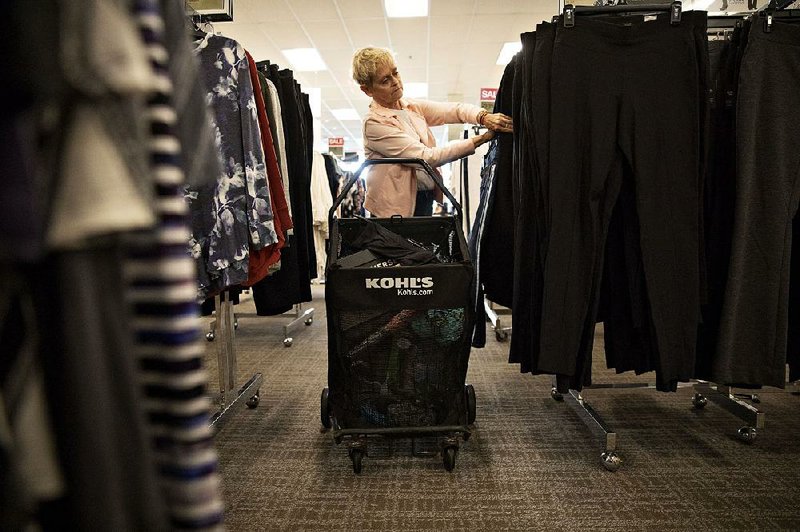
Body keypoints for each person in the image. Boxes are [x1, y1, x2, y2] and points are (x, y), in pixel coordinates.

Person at [352, 46, 513, 218]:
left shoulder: (410, 106)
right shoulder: (374, 123)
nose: (395, 81)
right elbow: (426, 158)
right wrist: (482, 139)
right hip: (394, 211)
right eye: (385, 80)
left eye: (395, 72)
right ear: (367, 90)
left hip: (424, 198)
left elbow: (453, 110)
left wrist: (483, 117)